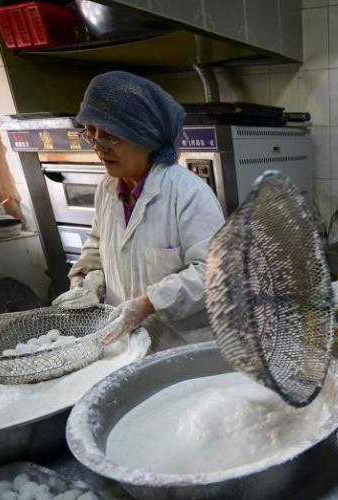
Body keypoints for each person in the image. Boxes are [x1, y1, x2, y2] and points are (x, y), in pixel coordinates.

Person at [52, 71, 224, 348]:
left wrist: (149, 303)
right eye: (92, 133)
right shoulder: (107, 189)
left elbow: (213, 272)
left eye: (109, 136)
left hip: (180, 347)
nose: (99, 147)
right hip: (126, 342)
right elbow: (97, 243)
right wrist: (89, 276)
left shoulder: (189, 194)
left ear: (145, 136)